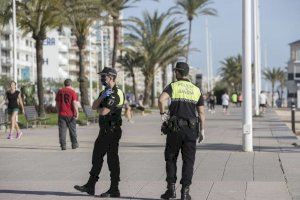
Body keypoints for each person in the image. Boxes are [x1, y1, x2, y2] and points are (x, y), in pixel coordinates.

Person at [74, 67, 124, 197]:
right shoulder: (105, 92)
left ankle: (114, 188)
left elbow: (103, 111)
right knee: (96, 157)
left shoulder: (116, 93)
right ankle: (90, 186)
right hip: (104, 131)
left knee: (112, 160)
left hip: (112, 131)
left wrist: (101, 103)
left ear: (111, 77)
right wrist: (102, 97)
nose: (102, 78)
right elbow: (94, 106)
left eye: (104, 76)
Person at [158, 62, 205, 200]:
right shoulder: (196, 89)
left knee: (171, 158)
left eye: (175, 72)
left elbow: (161, 100)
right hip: (191, 129)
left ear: (178, 72)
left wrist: (163, 114)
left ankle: (171, 190)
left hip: (175, 129)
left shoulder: (173, 86)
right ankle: (185, 192)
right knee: (188, 161)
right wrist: (202, 130)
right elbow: (201, 112)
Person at [55, 79, 79, 150]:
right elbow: (74, 103)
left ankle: (63, 145)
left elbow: (57, 103)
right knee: (72, 130)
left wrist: (58, 111)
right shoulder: (72, 92)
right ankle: (74, 144)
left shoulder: (60, 91)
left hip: (62, 114)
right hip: (71, 114)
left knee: (62, 130)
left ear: (64, 84)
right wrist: (77, 112)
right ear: (71, 84)